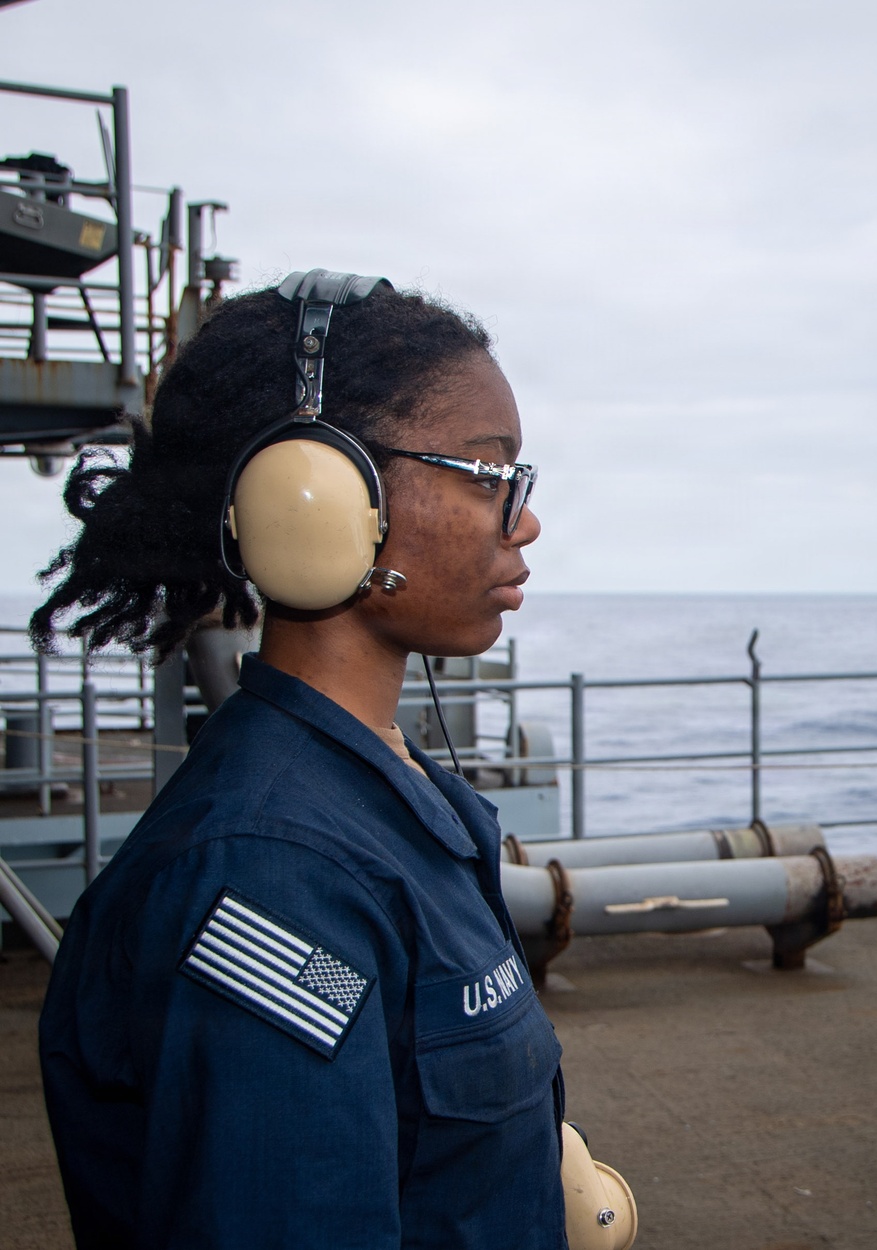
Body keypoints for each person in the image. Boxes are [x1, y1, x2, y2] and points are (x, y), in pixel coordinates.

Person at [32, 270, 567, 1249]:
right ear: (322, 495)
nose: (521, 518)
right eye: (490, 474)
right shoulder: (272, 877)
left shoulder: (401, 799)